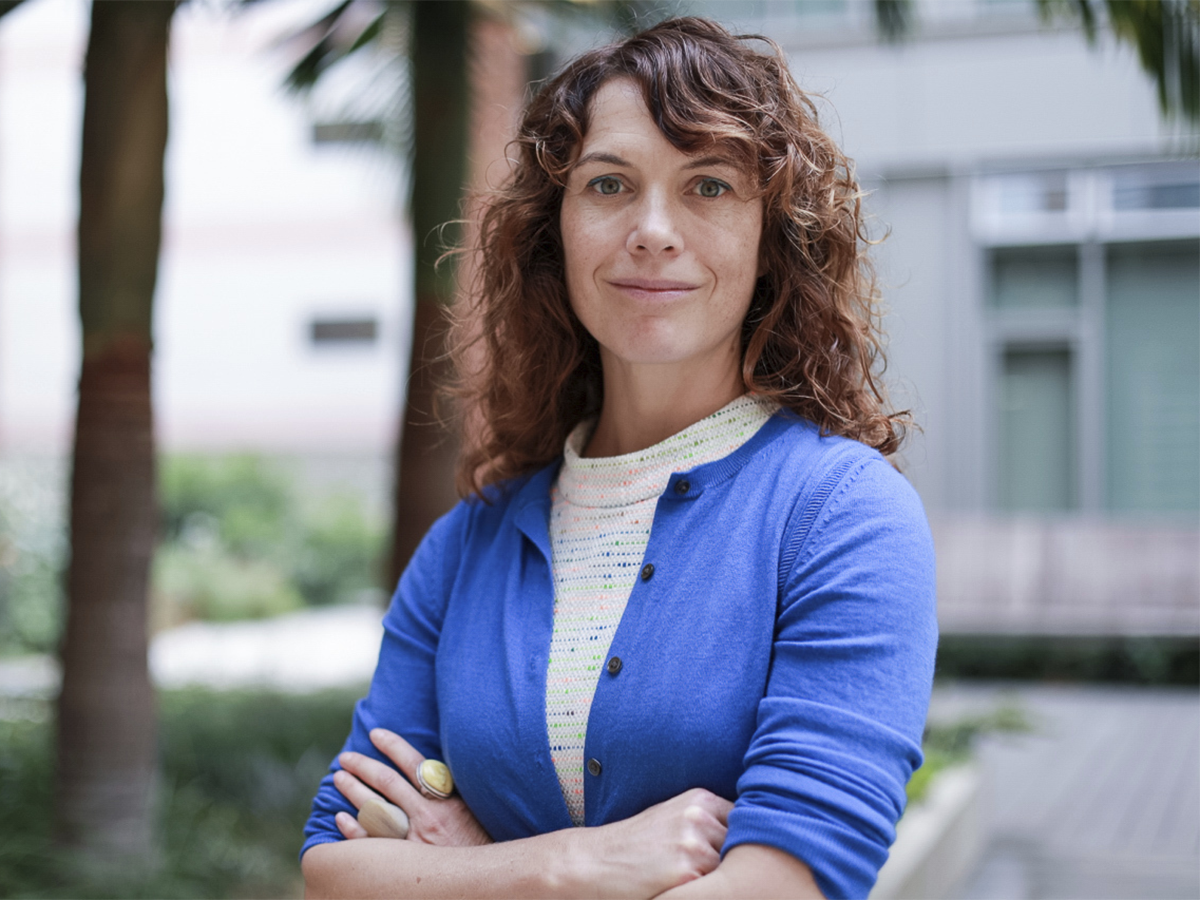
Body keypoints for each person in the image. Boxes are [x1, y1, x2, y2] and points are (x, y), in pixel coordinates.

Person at [301, 16, 937, 900]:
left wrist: (468, 869)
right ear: (554, 232)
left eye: (709, 186)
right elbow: (335, 868)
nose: (653, 230)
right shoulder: (466, 546)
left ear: (772, 239)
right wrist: (570, 866)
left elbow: (788, 884)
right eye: (609, 184)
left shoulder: (842, 517)